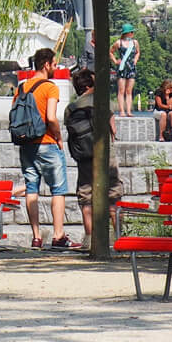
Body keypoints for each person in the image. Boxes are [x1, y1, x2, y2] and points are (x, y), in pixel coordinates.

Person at [17, 48, 74, 250]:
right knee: (58, 190)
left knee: (31, 189)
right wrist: (58, 137)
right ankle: (58, 235)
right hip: (47, 143)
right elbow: (50, 117)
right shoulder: (51, 87)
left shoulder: (22, 87)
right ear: (46, 64)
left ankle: (36, 236)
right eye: (54, 64)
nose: (56, 68)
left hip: (26, 145)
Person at [66, 67, 121, 251]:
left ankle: (90, 240)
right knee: (113, 196)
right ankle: (118, 239)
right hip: (105, 154)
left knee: (86, 196)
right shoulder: (102, 102)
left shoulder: (71, 108)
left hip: (84, 157)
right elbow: (113, 129)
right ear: (91, 84)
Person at [111, 25, 139, 118]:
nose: (132, 34)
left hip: (131, 67)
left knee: (129, 91)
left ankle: (129, 111)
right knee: (121, 90)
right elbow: (110, 51)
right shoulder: (118, 43)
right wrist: (115, 61)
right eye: (131, 32)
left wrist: (135, 60)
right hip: (122, 67)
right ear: (126, 33)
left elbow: (138, 52)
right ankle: (122, 111)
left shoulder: (135, 43)